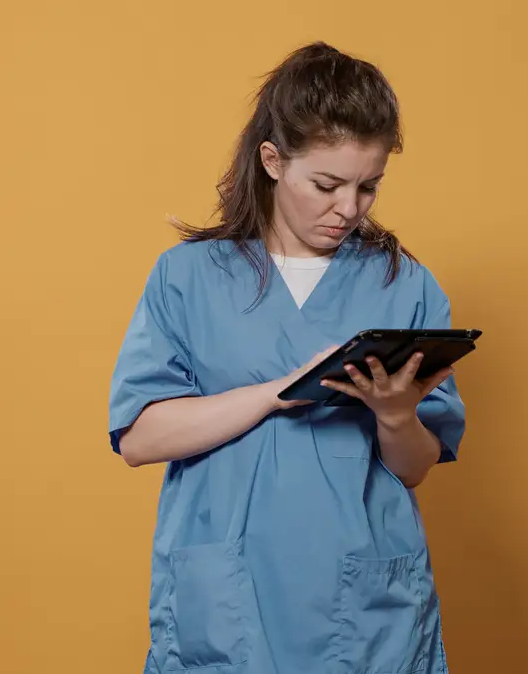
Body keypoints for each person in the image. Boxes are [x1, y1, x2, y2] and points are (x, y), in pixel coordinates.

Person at [107, 42, 467, 674]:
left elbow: (414, 468)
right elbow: (139, 437)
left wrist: (394, 415)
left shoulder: (403, 285)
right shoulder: (188, 277)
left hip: (363, 609)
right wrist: (278, 392)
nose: (348, 209)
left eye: (368, 187)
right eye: (326, 185)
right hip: (230, 596)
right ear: (273, 161)